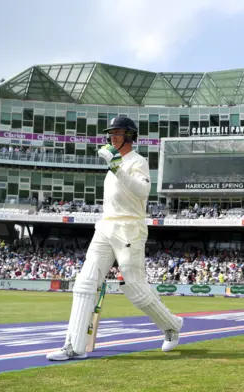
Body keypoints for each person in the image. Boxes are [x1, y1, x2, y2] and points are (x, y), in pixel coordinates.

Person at [46, 116, 183, 361]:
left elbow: (143, 191)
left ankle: (171, 326)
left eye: (118, 133)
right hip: (105, 226)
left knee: (135, 289)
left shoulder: (137, 161)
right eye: (111, 133)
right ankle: (74, 346)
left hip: (130, 227)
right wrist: (114, 166)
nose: (113, 137)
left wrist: (117, 167)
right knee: (85, 283)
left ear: (130, 136)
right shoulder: (114, 164)